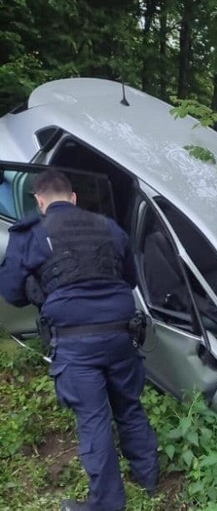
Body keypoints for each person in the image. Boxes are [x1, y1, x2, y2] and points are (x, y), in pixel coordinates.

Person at [0, 170, 158, 511]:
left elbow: (11, 293)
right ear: (73, 198)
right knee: (129, 406)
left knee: (93, 417)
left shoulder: (29, 234)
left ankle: (106, 505)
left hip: (75, 342)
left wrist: (37, 289)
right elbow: (130, 277)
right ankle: (149, 480)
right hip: (120, 332)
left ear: (40, 202)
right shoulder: (108, 227)